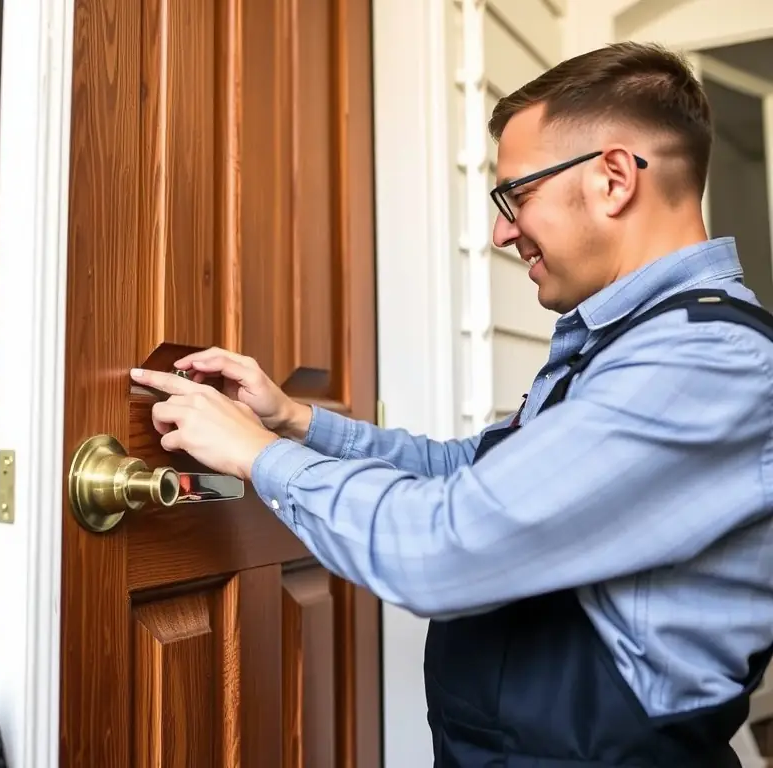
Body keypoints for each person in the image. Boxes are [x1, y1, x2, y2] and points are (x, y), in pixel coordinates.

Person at [130, 41, 773, 767]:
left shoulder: (702, 362)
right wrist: (296, 422)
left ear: (614, 179)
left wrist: (258, 455)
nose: (502, 231)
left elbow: (445, 546)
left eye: (515, 196)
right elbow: (473, 471)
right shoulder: (634, 341)